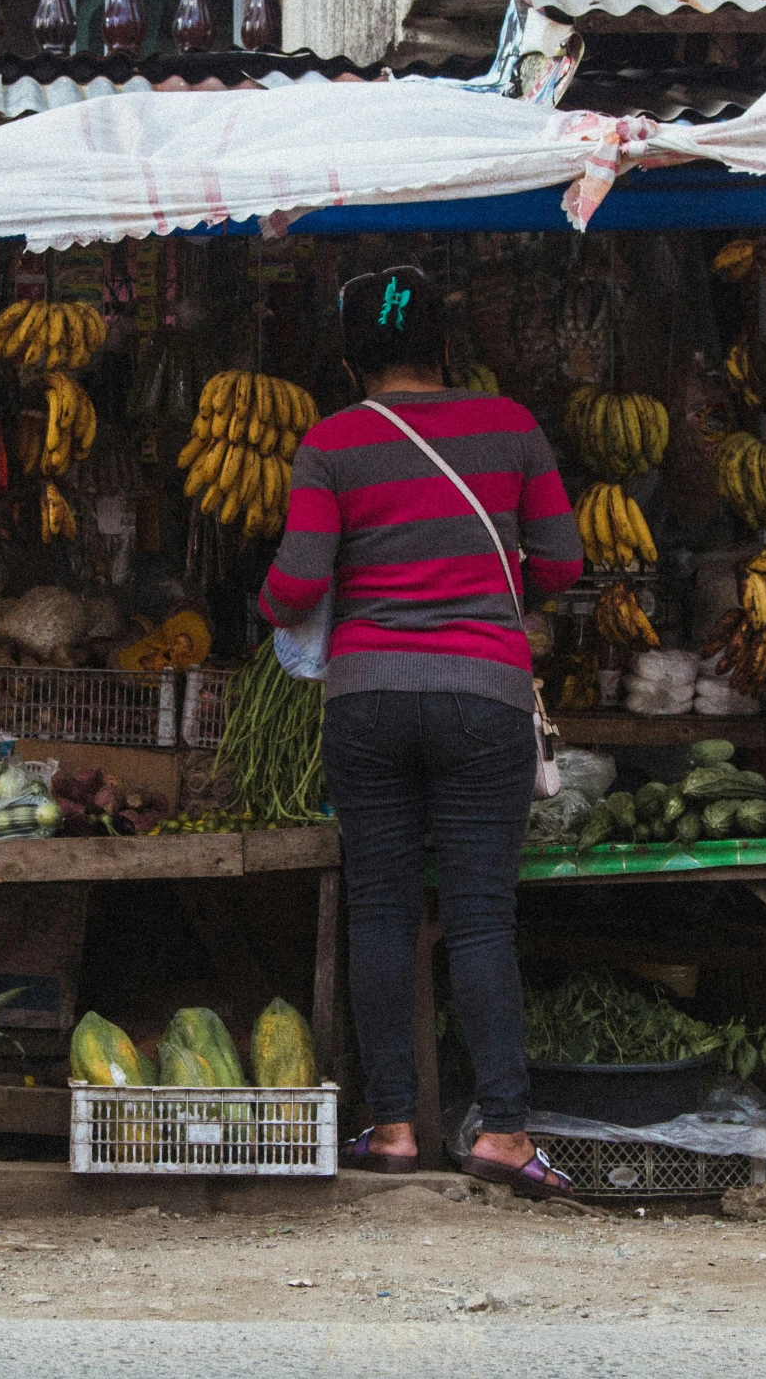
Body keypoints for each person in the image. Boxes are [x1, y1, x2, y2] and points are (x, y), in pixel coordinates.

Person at [258, 265, 585, 1199]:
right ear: (446, 346)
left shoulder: (333, 442)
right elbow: (562, 565)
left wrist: (279, 600)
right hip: (484, 695)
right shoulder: (511, 427)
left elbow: (294, 587)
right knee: (481, 916)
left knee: (381, 910)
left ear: (352, 356)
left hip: (365, 700)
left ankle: (396, 1127)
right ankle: (506, 1134)